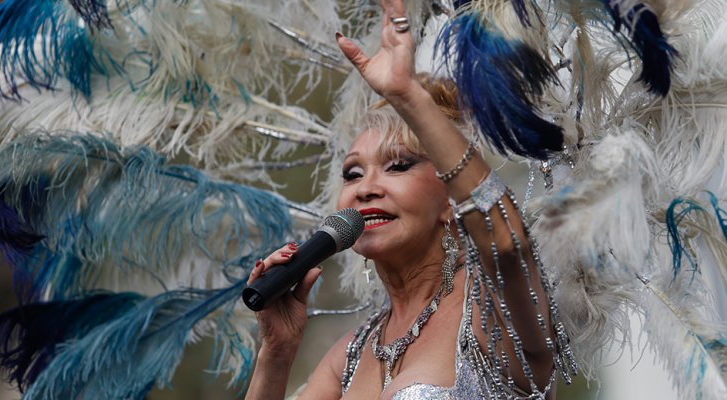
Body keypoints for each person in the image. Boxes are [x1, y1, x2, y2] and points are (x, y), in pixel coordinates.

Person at [244, 1, 574, 398]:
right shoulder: (348, 356)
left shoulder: (493, 311)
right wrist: (276, 353)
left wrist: (407, 95)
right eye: (352, 173)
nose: (365, 187)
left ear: (452, 198)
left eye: (398, 166)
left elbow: (508, 246)